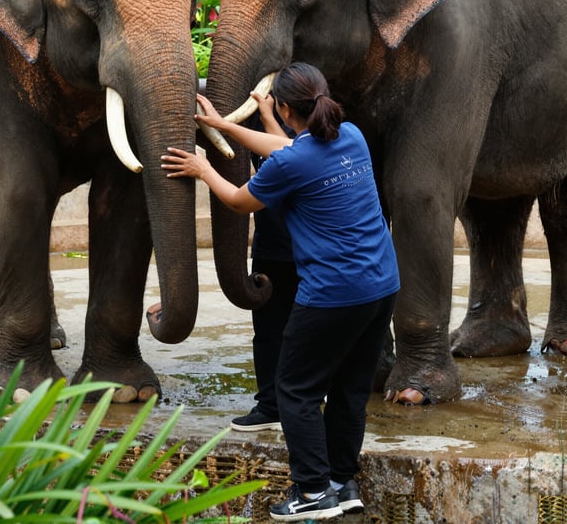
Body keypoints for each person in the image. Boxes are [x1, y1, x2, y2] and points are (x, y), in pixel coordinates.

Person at [161, 63, 399, 521]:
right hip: (382, 285)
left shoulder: (292, 163)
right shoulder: (351, 136)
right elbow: (288, 147)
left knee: (295, 390)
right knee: (350, 389)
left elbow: (237, 200)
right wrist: (225, 125)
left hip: (333, 291)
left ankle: (311, 490)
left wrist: (203, 167)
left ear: (286, 108)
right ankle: (340, 482)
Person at [231, 108, 298, 433]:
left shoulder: (321, 132)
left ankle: (302, 401)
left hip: (308, 252)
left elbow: (237, 200)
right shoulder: (258, 116)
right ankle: (272, 404)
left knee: (302, 333)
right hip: (271, 248)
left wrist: (202, 171)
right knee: (269, 332)